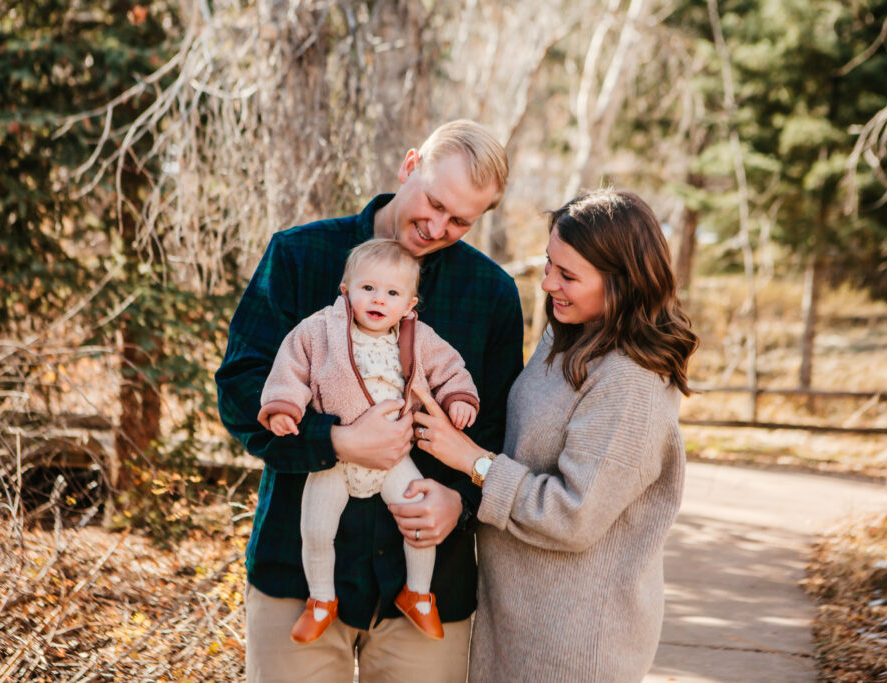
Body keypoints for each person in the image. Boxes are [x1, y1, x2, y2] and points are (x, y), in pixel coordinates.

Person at [215, 120, 524, 682]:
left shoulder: (492, 294)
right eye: (432, 202)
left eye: (460, 220)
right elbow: (239, 388)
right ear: (409, 167)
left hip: (431, 588)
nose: (436, 227)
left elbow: (504, 430)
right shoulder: (299, 256)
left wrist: (460, 502)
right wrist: (334, 441)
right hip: (296, 578)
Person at [407, 188, 699, 682]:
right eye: (549, 264)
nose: (547, 284)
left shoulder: (630, 381)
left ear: (622, 282)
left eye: (567, 275)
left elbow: (574, 514)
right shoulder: (569, 337)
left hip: (574, 640)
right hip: (517, 620)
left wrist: (472, 461)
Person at [258, 238, 479, 644]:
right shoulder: (319, 330)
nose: (379, 300)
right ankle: (321, 601)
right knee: (316, 528)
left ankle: (418, 593)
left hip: (395, 457)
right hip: (335, 461)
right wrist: (284, 408)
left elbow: (450, 368)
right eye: (368, 289)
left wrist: (460, 398)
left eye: (392, 293)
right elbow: (290, 367)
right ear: (346, 291)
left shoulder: (417, 337)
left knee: (418, 518)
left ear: (409, 305)